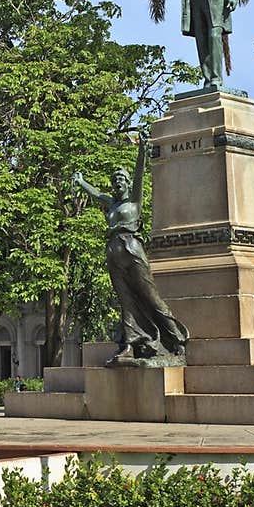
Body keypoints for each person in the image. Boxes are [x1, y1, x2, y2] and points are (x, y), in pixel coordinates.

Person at [74, 133, 188, 367]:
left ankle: (176, 338)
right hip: (113, 250)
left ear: (126, 183)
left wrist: (142, 150)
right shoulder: (112, 203)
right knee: (125, 300)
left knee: (149, 296)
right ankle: (129, 344)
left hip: (132, 248)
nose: (117, 182)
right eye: (114, 179)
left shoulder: (133, 201)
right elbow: (95, 193)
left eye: (121, 179)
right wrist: (81, 181)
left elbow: (139, 174)